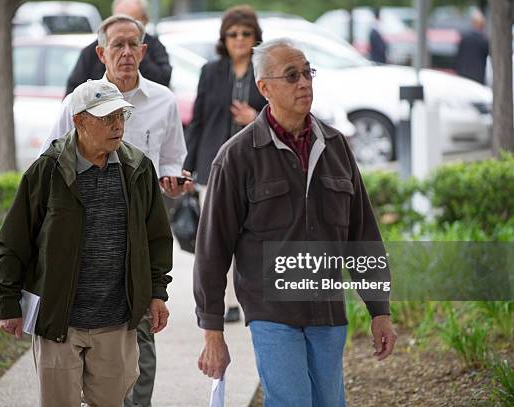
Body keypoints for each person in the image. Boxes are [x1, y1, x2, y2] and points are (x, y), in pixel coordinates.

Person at [194, 39, 397, 406]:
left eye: (307, 73)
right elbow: (212, 249)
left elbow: (362, 234)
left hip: (328, 311)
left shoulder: (335, 146)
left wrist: (379, 310)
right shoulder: (237, 157)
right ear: (264, 88)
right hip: (272, 313)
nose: (304, 83)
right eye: (292, 76)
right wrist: (212, 331)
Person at [0, 80, 173, 407]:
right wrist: (6, 302)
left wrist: (157, 293)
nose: (117, 126)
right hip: (61, 321)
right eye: (106, 118)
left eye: (121, 115)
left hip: (117, 320)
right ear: (79, 120)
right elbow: (13, 240)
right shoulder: (48, 170)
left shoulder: (138, 169)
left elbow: (157, 238)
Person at [40, 15, 190, 407]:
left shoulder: (164, 101)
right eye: (117, 46)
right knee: (90, 345)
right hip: (85, 245)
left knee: (141, 343)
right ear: (101, 53)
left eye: (132, 45)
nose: (125, 53)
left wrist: (173, 184)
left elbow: (173, 161)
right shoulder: (78, 102)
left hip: (138, 242)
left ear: (144, 51)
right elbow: (49, 168)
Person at [184, 5, 267, 323]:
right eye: (233, 34)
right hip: (213, 166)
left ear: (256, 37)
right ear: (224, 38)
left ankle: (245, 300)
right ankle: (221, 302)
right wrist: (188, 168)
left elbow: (283, 115)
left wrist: (255, 118)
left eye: (246, 33)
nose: (240, 39)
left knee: (250, 236)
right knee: (216, 239)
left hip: (256, 166)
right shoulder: (211, 71)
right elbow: (198, 121)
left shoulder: (266, 69)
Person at [65, 0, 172, 93]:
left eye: (131, 21)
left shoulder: (154, 47)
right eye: (119, 19)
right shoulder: (92, 51)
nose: (124, 26)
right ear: (101, 53)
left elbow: (163, 80)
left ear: (145, 20)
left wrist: (137, 57)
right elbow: (73, 92)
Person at [455, 10, 489, 85]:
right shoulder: (484, 41)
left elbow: (458, 58)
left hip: (463, 77)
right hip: (478, 78)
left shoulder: (464, 39)